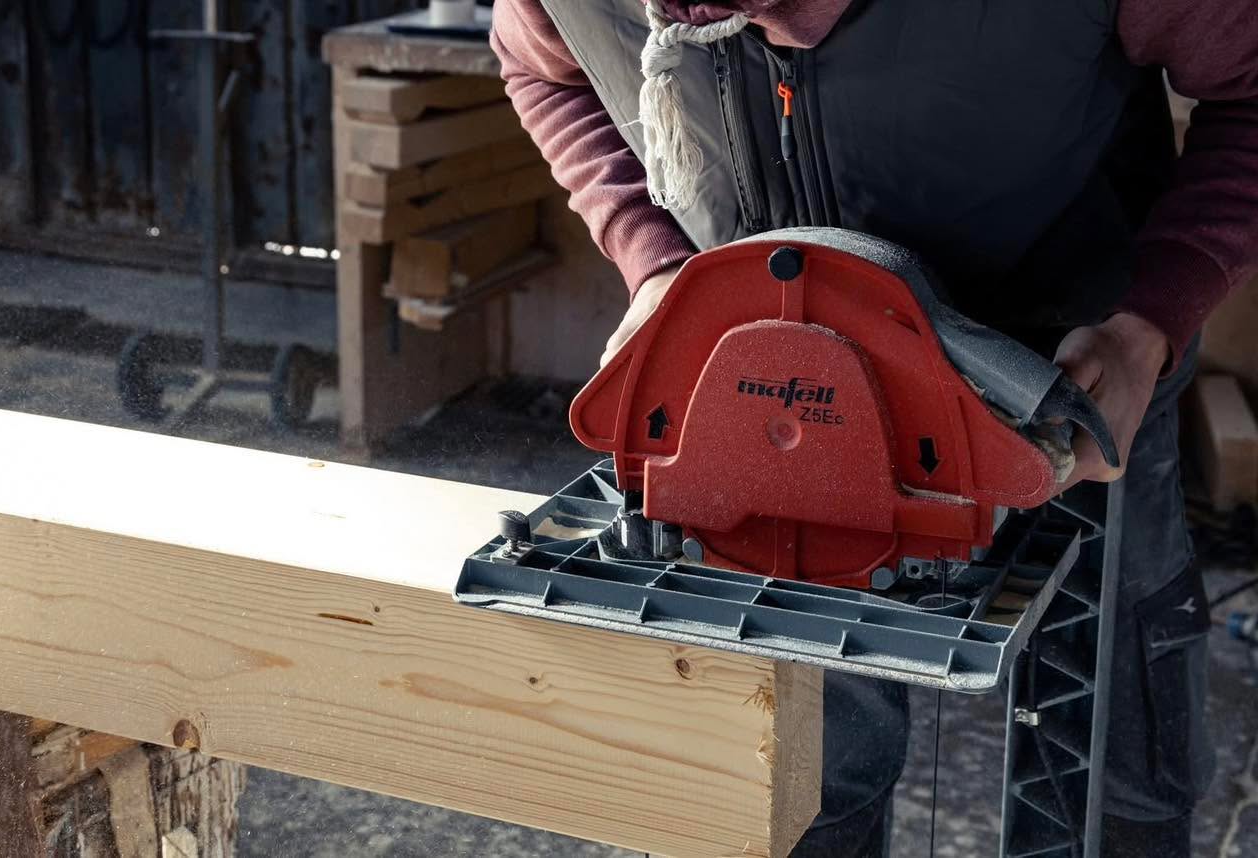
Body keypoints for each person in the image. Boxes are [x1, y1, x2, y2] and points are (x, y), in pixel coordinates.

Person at [491, 1, 1258, 854]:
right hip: (781, 380)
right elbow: (538, 66)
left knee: (1115, 711)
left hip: (1078, 365)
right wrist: (653, 261)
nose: (780, 33)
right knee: (803, 760)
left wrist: (1152, 315)